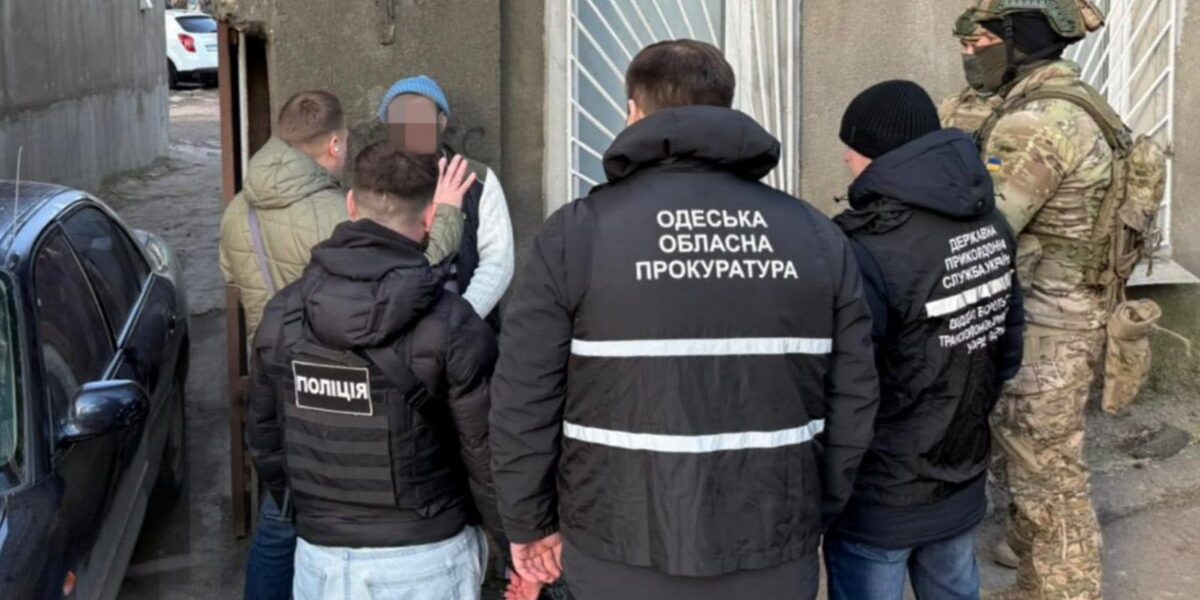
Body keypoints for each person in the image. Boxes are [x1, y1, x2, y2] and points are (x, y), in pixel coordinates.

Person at [489, 39, 880, 600]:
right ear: (725, 106)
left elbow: (525, 396)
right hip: (771, 543)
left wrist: (529, 522)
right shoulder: (815, 234)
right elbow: (854, 395)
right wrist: (813, 507)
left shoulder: (579, 233)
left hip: (618, 547)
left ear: (633, 111)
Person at [244, 142, 521, 600]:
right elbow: (487, 456)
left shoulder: (284, 315)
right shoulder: (453, 325)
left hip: (322, 562)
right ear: (431, 218)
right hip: (430, 560)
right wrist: (517, 550)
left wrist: (313, 517)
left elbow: (264, 439)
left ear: (351, 205)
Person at [219, 90, 464, 600]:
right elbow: (411, 277)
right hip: (353, 377)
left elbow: (233, 280)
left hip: (280, 374)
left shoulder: (237, 211)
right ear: (334, 145)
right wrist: (444, 215)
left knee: (280, 517)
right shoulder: (340, 214)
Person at [940, 2, 1117, 598]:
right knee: (1035, 454)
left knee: (1048, 475)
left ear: (1022, 41)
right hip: (1070, 313)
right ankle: (1027, 552)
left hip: (1046, 324)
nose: (970, 57)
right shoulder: (1072, 101)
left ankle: (1065, 588)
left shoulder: (1036, 122)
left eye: (980, 44)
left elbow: (981, 228)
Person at [826, 80, 1024, 600]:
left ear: (878, 155)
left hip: (882, 494)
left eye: (852, 147)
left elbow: (847, 383)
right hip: (960, 470)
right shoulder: (990, 221)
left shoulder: (866, 245)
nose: (846, 158)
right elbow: (1008, 348)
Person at [378, 75, 515, 326]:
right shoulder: (376, 180)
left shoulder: (476, 177)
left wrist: (462, 318)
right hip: (396, 329)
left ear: (441, 121)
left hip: (467, 329)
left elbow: (498, 260)